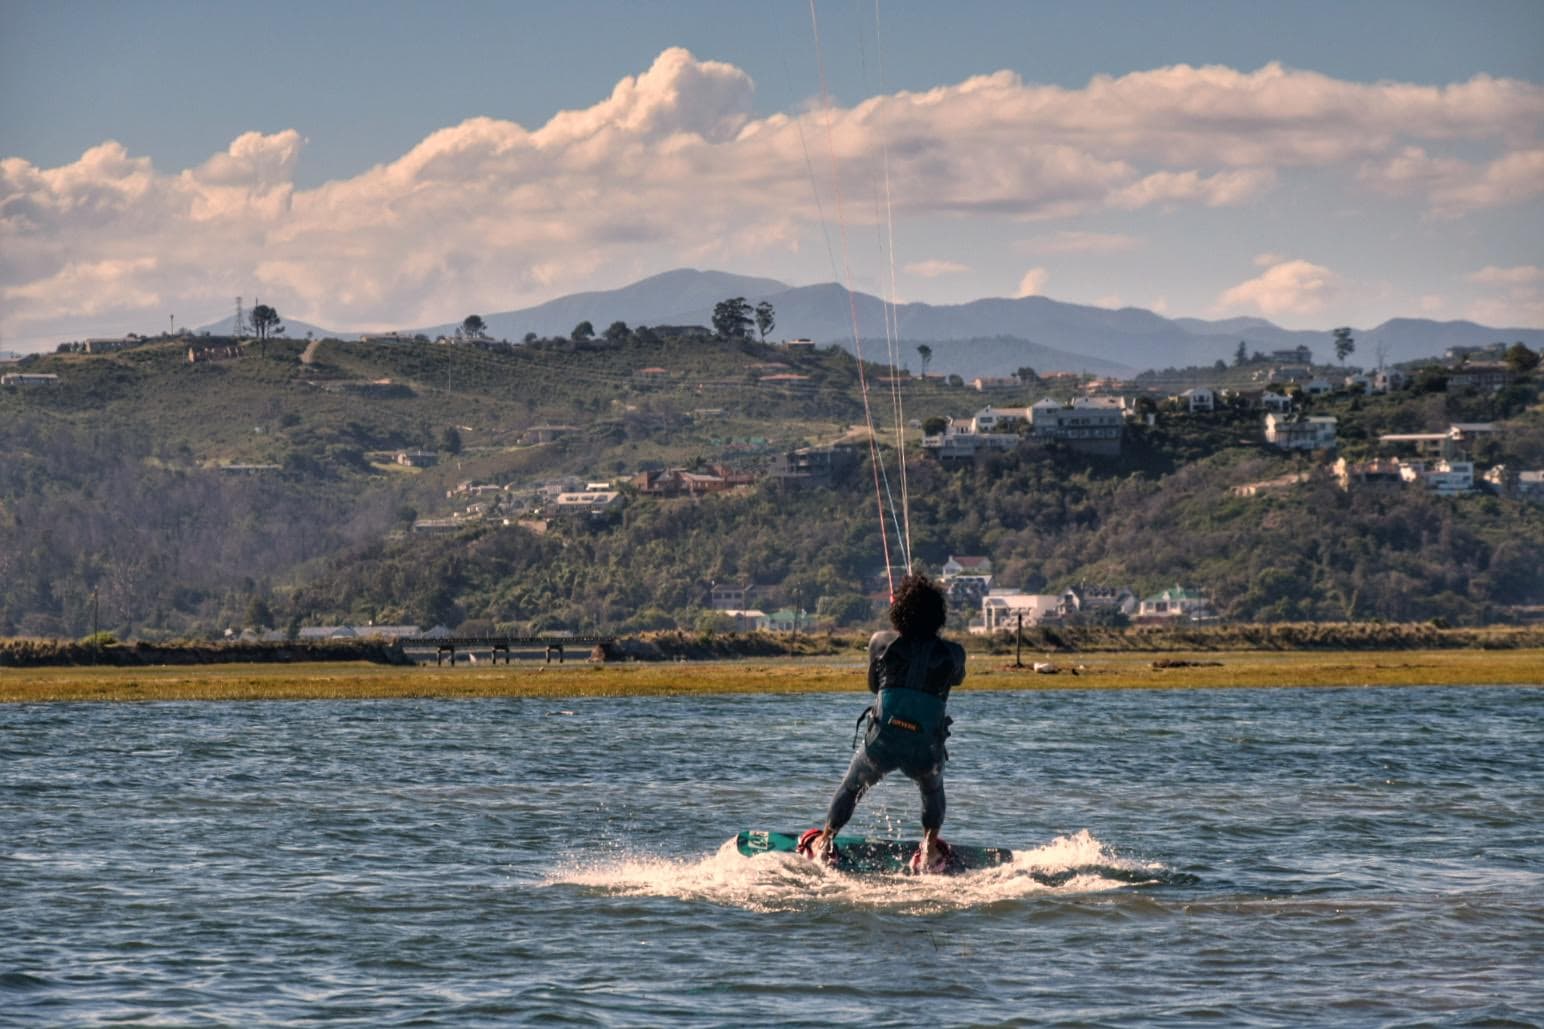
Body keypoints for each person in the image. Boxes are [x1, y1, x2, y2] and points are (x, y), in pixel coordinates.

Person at [802, 573, 966, 872]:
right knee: (932, 789)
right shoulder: (953, 653)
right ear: (938, 615)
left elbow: (874, 687)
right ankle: (928, 850)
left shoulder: (880, 641)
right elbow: (956, 677)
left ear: (897, 612)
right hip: (924, 749)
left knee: (853, 787)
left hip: (883, 743)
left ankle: (824, 843)